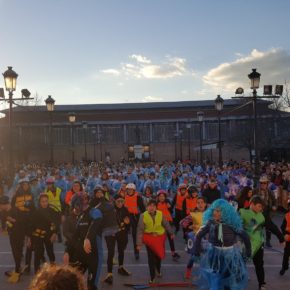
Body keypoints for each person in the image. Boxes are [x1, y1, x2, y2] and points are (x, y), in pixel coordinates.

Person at [194, 199, 251, 290]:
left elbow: (246, 237)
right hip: (214, 255)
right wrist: (197, 251)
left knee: (229, 279)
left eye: (218, 211)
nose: (215, 213)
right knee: (214, 277)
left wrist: (248, 252)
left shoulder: (232, 224)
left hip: (230, 255)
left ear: (225, 212)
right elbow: (198, 236)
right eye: (214, 210)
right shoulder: (211, 223)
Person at [240, 195, 285, 290]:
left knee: (259, 264)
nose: (261, 209)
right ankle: (236, 281)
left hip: (258, 243)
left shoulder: (263, 215)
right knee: (240, 263)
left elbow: (272, 226)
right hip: (245, 243)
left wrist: (281, 238)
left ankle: (262, 284)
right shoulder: (242, 212)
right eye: (259, 206)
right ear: (252, 204)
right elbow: (234, 225)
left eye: (262, 207)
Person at [137, 199, 174, 283]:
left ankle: (158, 269)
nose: (151, 207)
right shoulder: (143, 215)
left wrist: (171, 232)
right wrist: (139, 244)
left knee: (158, 256)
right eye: (150, 205)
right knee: (150, 258)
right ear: (147, 207)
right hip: (149, 238)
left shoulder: (160, 214)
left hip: (159, 238)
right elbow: (140, 230)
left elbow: (166, 224)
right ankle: (152, 277)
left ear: (156, 207)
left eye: (153, 206)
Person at [6, 177, 35, 283]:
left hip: (28, 222)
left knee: (29, 245)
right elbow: (10, 208)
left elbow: (33, 208)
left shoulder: (31, 195)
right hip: (18, 223)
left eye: (27, 184)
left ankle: (26, 266)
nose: (25, 186)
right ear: (21, 185)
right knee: (18, 245)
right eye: (24, 184)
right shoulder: (15, 196)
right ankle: (18, 265)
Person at [29, 193, 58, 273]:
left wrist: (54, 233)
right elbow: (31, 226)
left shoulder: (52, 211)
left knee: (50, 253)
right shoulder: (35, 212)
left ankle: (53, 270)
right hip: (38, 236)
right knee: (38, 254)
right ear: (39, 202)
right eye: (42, 201)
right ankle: (36, 272)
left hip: (49, 235)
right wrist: (30, 238)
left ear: (48, 201)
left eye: (46, 201)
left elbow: (56, 223)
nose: (44, 203)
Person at [182, 196, 207, 279]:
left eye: (202, 202)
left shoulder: (210, 213)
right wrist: (189, 226)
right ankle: (188, 269)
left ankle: (204, 274)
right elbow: (182, 222)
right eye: (198, 203)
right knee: (193, 257)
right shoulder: (193, 214)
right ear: (196, 204)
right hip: (196, 238)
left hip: (207, 239)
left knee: (206, 257)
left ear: (205, 204)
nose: (200, 204)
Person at [156, 189, 180, 260]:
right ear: (158, 197)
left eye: (163, 196)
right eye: (160, 196)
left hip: (168, 222)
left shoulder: (167, 203)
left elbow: (171, 211)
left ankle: (173, 253)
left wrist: (169, 206)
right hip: (160, 223)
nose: (162, 197)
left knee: (171, 238)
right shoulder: (156, 204)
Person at [124, 183, 145, 260]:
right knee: (123, 232)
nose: (129, 191)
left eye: (131, 189)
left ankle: (136, 252)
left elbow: (143, 208)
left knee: (134, 235)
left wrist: (144, 217)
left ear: (134, 190)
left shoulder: (138, 197)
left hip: (135, 217)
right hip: (126, 216)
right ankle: (124, 244)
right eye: (128, 189)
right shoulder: (124, 196)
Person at [279, 199, 290, 276]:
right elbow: (282, 227)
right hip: (288, 238)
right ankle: (284, 267)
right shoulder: (287, 215)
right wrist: (285, 234)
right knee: (286, 254)